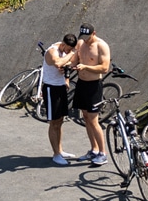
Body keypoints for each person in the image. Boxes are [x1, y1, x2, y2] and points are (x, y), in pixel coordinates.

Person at [71, 22, 110, 166]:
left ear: (94, 33)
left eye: (88, 36)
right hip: (82, 83)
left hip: (94, 86)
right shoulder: (81, 43)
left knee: (94, 120)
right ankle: (93, 150)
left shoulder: (101, 46)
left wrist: (86, 66)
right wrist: (70, 65)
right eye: (83, 36)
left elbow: (104, 68)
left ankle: (102, 153)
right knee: (86, 117)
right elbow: (75, 58)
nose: (85, 39)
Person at [42, 34, 79, 165]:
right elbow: (58, 62)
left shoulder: (66, 51)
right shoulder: (52, 50)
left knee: (60, 120)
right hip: (50, 88)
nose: (68, 52)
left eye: (71, 50)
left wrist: (67, 80)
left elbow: (66, 65)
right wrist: (72, 53)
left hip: (61, 87)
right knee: (53, 122)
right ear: (63, 44)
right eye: (67, 49)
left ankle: (60, 150)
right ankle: (56, 154)